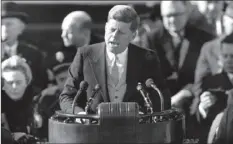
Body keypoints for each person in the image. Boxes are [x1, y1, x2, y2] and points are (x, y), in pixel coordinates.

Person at [59, 5, 171, 115]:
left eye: (121, 32)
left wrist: (145, 115)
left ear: (133, 36)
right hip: (93, 129)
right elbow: (67, 96)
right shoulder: (85, 55)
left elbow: (162, 96)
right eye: (112, 30)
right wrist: (81, 115)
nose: (114, 36)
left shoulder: (147, 57)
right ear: (106, 27)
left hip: (135, 130)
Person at [146, 1, 214, 110]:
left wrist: (185, 93)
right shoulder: (151, 39)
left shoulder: (203, 39)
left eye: (176, 14)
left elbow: (208, 74)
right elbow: (147, 75)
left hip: (193, 100)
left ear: (186, 13)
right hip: (160, 101)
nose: (172, 20)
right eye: (168, 16)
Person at [189, 32, 233, 143]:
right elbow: (199, 122)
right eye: (225, 56)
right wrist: (203, 107)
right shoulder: (211, 82)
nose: (228, 60)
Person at [191, 3, 233, 116]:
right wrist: (203, 107)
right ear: (225, 21)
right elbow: (199, 90)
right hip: (219, 116)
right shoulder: (209, 49)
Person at [1, 1, 48, 90]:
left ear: (21, 28)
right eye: (1, 24)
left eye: (9, 24)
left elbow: (41, 84)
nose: (4, 29)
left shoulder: (34, 54)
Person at [1, 55, 39, 143]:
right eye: (10, 83)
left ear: (27, 81)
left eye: (18, 82)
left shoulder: (39, 100)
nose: (14, 87)